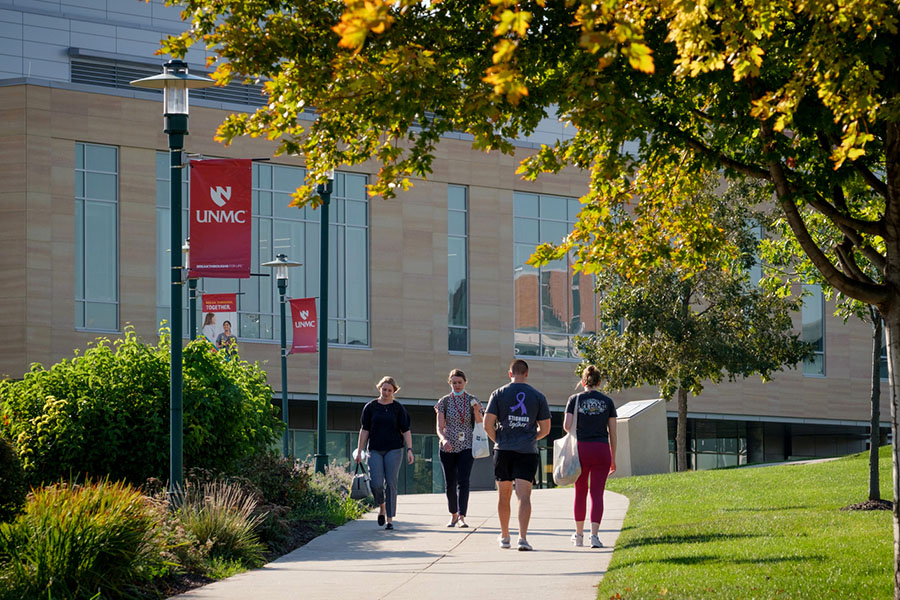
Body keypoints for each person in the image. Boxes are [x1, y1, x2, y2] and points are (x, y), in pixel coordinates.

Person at [483, 359, 551, 551]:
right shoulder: (538, 396)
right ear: (527, 374)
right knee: (524, 496)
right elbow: (545, 429)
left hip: (503, 449)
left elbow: (487, 424)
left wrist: (498, 439)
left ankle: (505, 537)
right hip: (527, 451)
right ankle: (522, 538)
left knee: (503, 496)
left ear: (510, 373)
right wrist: (531, 437)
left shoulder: (498, 393)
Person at [564, 364, 617, 549]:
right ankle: (594, 537)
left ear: (583, 381)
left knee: (580, 492)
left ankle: (579, 535)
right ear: (599, 382)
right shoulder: (608, 402)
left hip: (581, 450)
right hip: (601, 449)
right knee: (597, 494)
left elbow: (566, 425)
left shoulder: (574, 399)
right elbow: (613, 433)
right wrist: (613, 457)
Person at [355, 376, 414, 530]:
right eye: (384, 389)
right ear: (379, 388)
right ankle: (382, 506)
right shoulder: (371, 407)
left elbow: (406, 430)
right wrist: (360, 450)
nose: (386, 392)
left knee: (391, 483)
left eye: (390, 390)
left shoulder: (398, 408)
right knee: (376, 483)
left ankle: (389, 518)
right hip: (374, 449)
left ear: (394, 391)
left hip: (394, 449)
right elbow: (364, 429)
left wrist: (410, 449)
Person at [435, 369, 484, 528]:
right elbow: (439, 427)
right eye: (454, 382)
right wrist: (443, 439)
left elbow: (479, 422)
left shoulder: (472, 400)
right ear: (450, 383)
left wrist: (477, 411)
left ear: (465, 383)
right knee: (450, 483)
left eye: (460, 382)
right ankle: (453, 514)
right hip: (448, 447)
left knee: (464, 481)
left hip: (466, 445)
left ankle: (462, 516)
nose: (457, 385)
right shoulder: (444, 402)